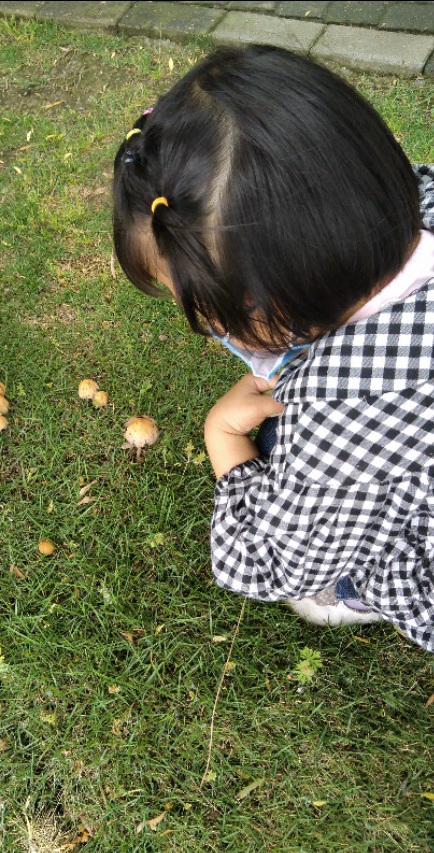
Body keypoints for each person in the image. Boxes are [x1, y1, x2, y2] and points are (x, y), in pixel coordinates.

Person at [112, 44, 433, 652]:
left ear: (274, 307)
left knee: (317, 573)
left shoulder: (342, 418)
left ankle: (356, 592)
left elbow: (264, 563)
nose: (217, 334)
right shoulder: (419, 199)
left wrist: (222, 437)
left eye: (213, 318)